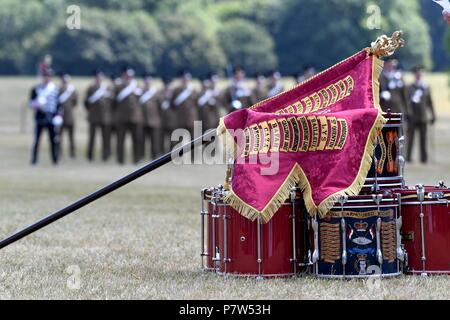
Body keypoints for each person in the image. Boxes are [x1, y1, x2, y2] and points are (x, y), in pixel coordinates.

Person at [29, 67, 61, 165]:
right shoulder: (36, 89)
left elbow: (59, 104)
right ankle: (34, 161)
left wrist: (59, 116)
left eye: (48, 76)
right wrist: (36, 104)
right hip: (40, 116)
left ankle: (55, 160)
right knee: (37, 140)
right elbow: (30, 103)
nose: (47, 78)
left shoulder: (55, 89)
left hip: (51, 116)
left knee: (53, 140)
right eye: (45, 76)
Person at [406, 66, 436, 163]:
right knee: (410, 138)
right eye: (417, 74)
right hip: (412, 116)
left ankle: (424, 158)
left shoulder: (426, 87)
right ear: (414, 75)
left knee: (423, 139)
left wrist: (433, 115)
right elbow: (406, 102)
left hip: (423, 117)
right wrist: (407, 113)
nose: (418, 75)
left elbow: (430, 102)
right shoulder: (410, 87)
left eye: (420, 74)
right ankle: (408, 157)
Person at [113, 67, 143, 164]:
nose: (128, 78)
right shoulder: (118, 87)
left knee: (136, 140)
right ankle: (120, 160)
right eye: (126, 76)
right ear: (123, 76)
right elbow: (113, 102)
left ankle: (136, 159)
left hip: (135, 118)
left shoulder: (137, 86)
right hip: (121, 118)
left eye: (130, 76)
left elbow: (140, 102)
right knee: (120, 140)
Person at [84, 70, 113, 162]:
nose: (98, 78)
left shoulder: (107, 88)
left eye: (100, 76)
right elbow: (86, 102)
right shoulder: (90, 88)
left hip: (105, 117)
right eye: (97, 77)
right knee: (92, 138)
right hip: (93, 116)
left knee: (106, 138)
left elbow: (111, 102)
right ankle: (90, 156)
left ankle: (106, 156)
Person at [140, 74, 163, 159]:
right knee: (141, 141)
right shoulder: (140, 92)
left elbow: (160, 107)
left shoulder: (155, 93)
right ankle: (141, 157)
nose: (147, 83)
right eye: (146, 81)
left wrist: (158, 118)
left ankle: (154, 158)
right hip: (142, 121)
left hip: (154, 121)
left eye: (148, 81)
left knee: (155, 141)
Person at [170, 70, 199, 138]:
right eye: (184, 78)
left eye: (187, 78)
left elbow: (197, 105)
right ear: (181, 79)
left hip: (191, 120)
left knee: (193, 142)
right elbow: (172, 105)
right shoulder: (176, 90)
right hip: (180, 120)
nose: (186, 80)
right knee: (179, 143)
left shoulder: (193, 90)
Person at [58, 72, 78, 158]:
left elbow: (75, 102)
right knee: (59, 137)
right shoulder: (58, 89)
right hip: (60, 116)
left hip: (70, 116)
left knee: (71, 137)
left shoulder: (72, 90)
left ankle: (72, 153)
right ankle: (59, 152)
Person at [160, 77, 177, 153]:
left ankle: (172, 153)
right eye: (166, 84)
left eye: (169, 84)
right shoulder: (160, 93)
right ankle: (161, 154)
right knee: (161, 139)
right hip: (161, 119)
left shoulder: (175, 94)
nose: (167, 86)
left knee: (173, 139)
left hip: (172, 119)